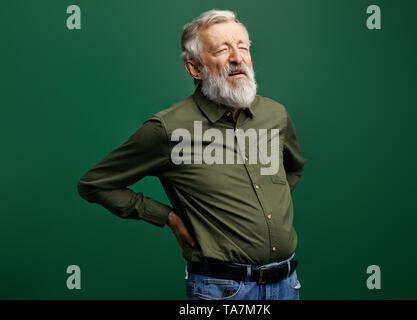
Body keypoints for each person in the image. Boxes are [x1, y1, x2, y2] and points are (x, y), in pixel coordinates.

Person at [77, 9, 307, 300]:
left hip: (287, 284)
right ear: (195, 69)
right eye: (223, 50)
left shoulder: (275, 114)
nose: (238, 58)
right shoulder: (168, 129)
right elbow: (95, 184)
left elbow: (293, 168)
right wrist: (169, 217)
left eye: (243, 47)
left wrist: (264, 203)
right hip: (223, 289)